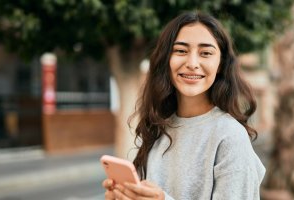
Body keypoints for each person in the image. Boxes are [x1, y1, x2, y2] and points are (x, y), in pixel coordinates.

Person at [103, 11, 266, 200]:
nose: (192, 63)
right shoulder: (159, 127)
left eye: (205, 53)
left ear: (220, 64)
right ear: (166, 60)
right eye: (181, 51)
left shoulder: (230, 136)